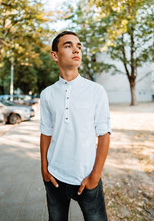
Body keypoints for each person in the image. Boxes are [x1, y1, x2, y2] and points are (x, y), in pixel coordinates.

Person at [40, 31, 111, 221]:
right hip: (55, 178)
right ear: (55, 55)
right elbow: (46, 132)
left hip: (86, 178)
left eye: (78, 46)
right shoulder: (47, 94)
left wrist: (94, 177)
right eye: (68, 46)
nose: (76, 50)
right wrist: (44, 170)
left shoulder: (96, 91)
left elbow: (104, 135)